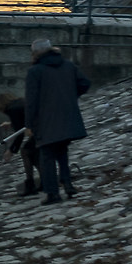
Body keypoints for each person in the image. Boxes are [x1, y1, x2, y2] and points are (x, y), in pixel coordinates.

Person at [23, 38, 90, 205]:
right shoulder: (68, 65)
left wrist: (29, 124)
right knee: (62, 152)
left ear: (36, 54)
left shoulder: (35, 71)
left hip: (46, 120)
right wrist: (70, 96)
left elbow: (31, 101)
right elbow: (85, 84)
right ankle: (67, 184)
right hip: (67, 116)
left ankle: (53, 193)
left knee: (47, 156)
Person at [0, 92, 41, 196]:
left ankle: (30, 185)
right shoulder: (19, 102)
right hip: (45, 126)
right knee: (33, 152)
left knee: (25, 151)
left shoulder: (12, 110)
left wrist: (11, 151)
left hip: (41, 131)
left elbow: (19, 134)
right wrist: (11, 124)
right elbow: (24, 122)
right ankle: (44, 180)